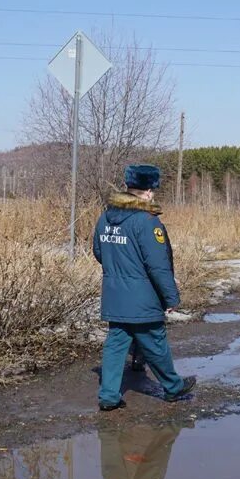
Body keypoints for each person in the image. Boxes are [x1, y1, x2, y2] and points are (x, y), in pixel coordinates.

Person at [92, 164, 197, 411]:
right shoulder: (147, 222)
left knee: (116, 344)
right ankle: (173, 387)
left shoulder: (105, 217)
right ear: (148, 191)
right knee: (154, 341)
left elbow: (98, 252)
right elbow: (158, 266)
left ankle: (108, 395)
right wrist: (171, 297)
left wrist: (119, 272)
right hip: (143, 298)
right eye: (153, 190)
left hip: (115, 294)